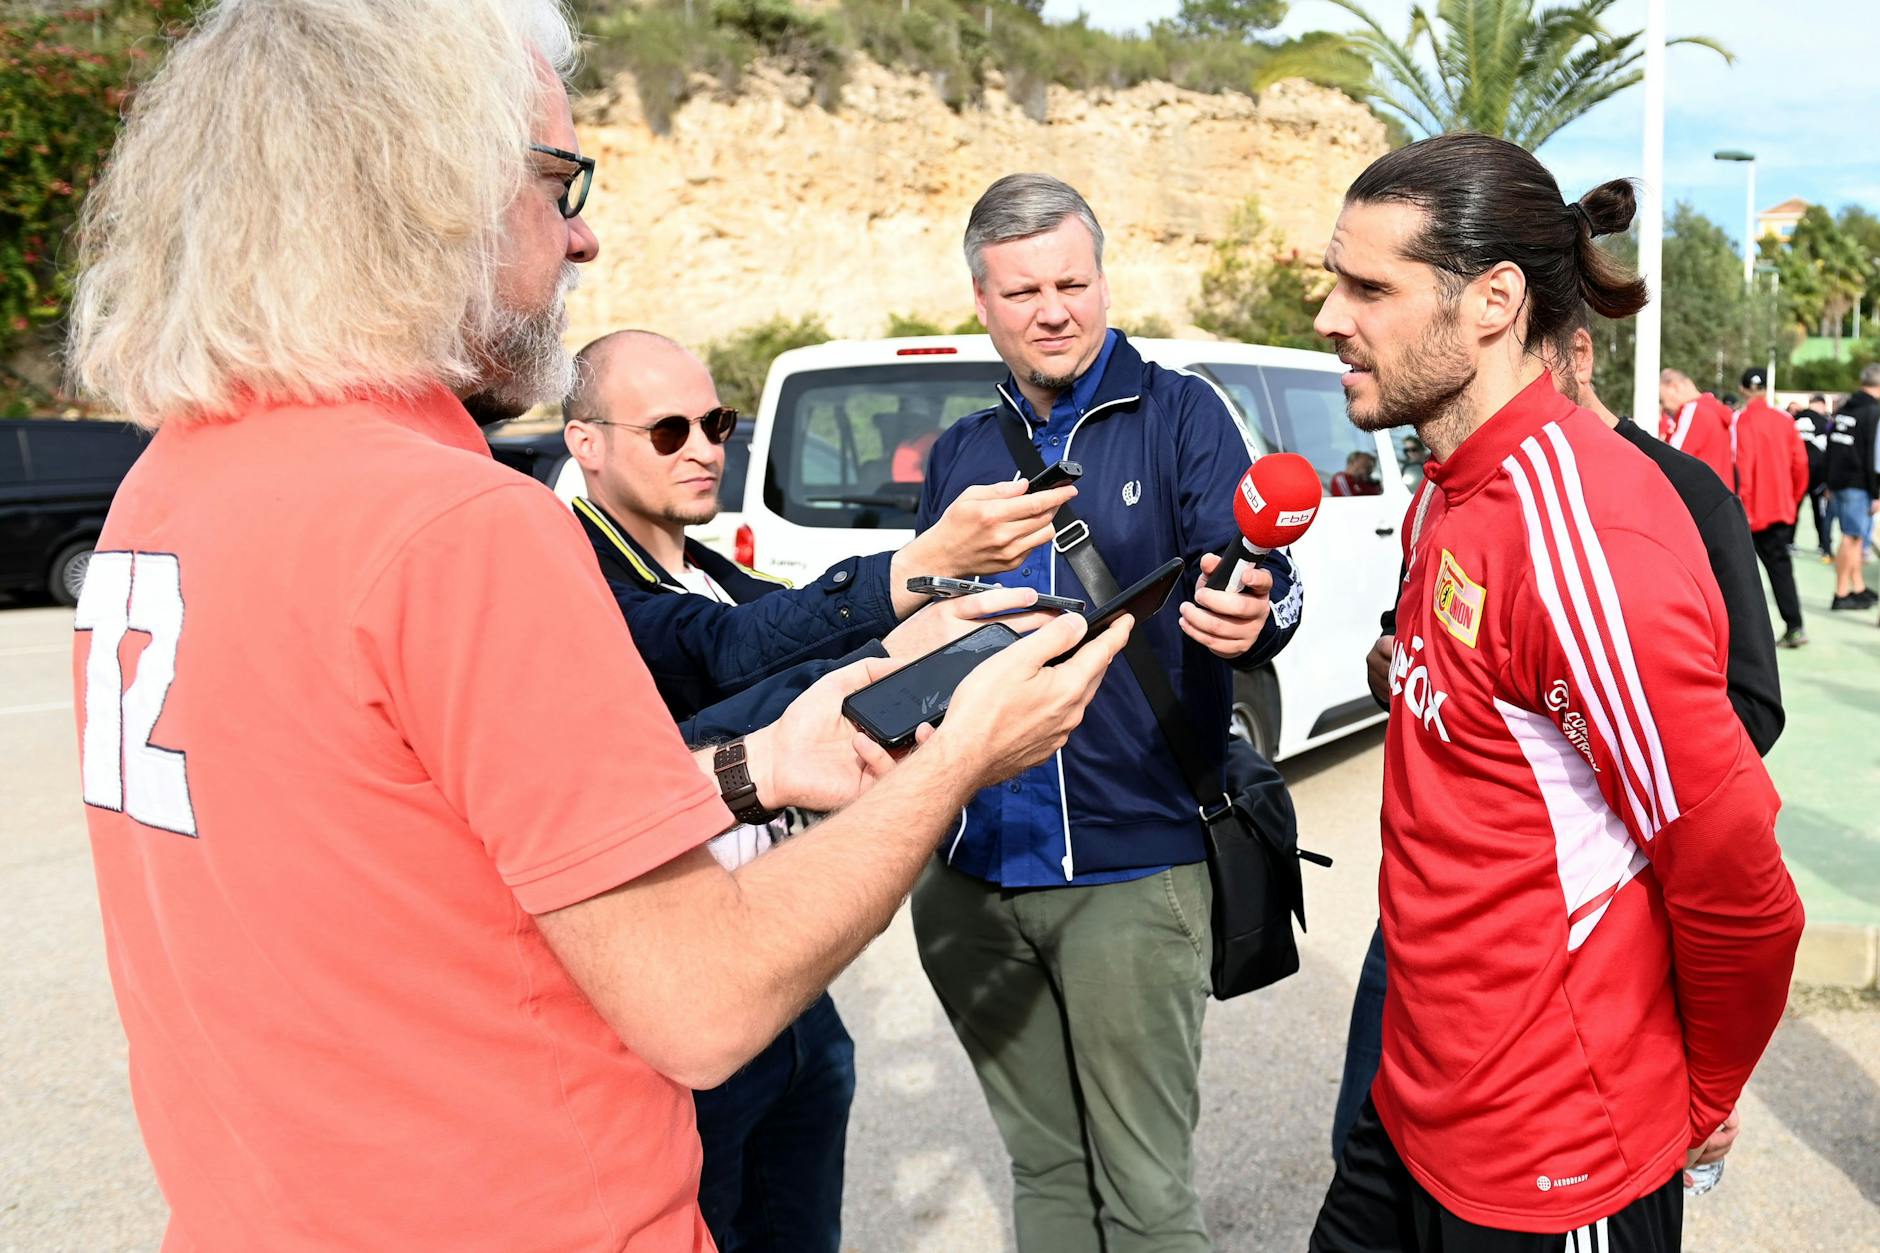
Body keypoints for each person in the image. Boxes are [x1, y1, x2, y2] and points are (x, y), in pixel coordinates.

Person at [61, 5, 1135, 1250]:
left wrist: (759, 761)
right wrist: (957, 754)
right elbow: (703, 996)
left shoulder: (169, 485)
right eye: (558, 178)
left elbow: (401, 848)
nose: (581, 234)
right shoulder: (457, 525)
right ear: (414, 187)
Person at [1309, 133, 1803, 1251]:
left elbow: (1737, 887)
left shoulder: (1585, 539)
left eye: (1367, 287)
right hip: (1410, 1102)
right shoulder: (1446, 481)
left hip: (1550, 1160)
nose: (1329, 315)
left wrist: (1697, 1100)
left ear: (1491, 300)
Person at [558, 327, 1068, 1253]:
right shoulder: (572, 572)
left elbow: (805, 637)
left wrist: (945, 625)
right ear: (585, 442)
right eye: (668, 432)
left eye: (717, 422)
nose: (706, 447)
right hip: (681, 985)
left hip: (780, 980)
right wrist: (911, 573)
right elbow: (721, 656)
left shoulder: (705, 565)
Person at [909, 173, 1303, 1253]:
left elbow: (1252, 574)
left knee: (1142, 1197)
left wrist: (1254, 609)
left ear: (1101, 278)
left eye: (1072, 280)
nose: (1052, 308)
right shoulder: (957, 452)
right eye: (1022, 288)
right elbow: (915, 636)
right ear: (981, 303)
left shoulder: (1178, 413)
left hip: (1130, 869)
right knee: (1043, 1171)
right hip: (969, 874)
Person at [1735, 366, 1812, 646]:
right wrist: (1791, 498)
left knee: (1741, 577)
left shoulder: (1741, 421)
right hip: (1780, 508)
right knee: (1781, 571)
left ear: (1743, 389)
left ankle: (1750, 640)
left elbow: (1742, 467)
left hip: (1751, 511)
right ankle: (1795, 625)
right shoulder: (1785, 420)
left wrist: (1741, 505)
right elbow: (1800, 464)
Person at [1824, 365, 1880, 610]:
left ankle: (1856, 586)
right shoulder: (1872, 411)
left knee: (1855, 538)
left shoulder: (1847, 407)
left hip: (1840, 481)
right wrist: (1876, 491)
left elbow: (1833, 446)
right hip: (1858, 483)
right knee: (1851, 537)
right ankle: (1841, 592)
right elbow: (1873, 455)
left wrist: (1829, 481)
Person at [1658, 368, 1738, 490]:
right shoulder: (1715, 408)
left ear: (1675, 387)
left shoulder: (1692, 410)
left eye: (1662, 400)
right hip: (1720, 496)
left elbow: (1672, 458)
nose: (1663, 407)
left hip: (1700, 496)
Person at [1794, 393, 1834, 558]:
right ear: (1821, 405)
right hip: (1818, 475)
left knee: (1794, 509)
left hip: (1797, 472)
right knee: (1820, 511)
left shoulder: (1794, 419)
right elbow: (1829, 450)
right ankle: (1824, 546)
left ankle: (1788, 542)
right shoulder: (1824, 423)